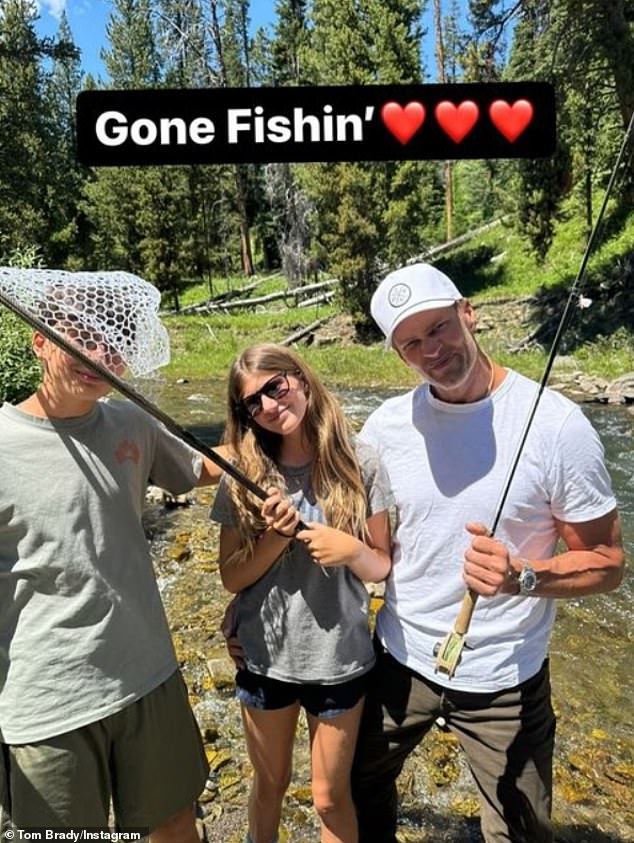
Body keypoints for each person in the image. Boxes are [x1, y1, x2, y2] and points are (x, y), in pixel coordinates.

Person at [350, 263, 625, 843]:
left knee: (521, 832)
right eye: (411, 343)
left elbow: (606, 563)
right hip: (400, 657)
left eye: (439, 327)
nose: (432, 350)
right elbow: (359, 540)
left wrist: (524, 575)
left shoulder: (558, 426)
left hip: (505, 677)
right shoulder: (384, 427)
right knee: (356, 784)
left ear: (468, 313)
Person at [0, 272, 229, 838]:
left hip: (148, 675)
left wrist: (297, 447)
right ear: (40, 341)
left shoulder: (131, 422)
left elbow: (201, 467)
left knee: (177, 826)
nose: (98, 352)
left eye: (113, 340)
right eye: (80, 334)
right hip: (45, 703)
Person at [210, 343, 392, 843]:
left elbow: (381, 563)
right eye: (253, 401)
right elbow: (231, 577)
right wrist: (274, 536)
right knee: (270, 784)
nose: (269, 404)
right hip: (264, 660)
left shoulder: (362, 462)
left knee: (330, 797)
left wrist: (349, 549)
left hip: (341, 661)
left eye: (276, 386)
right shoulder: (243, 476)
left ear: (302, 380)